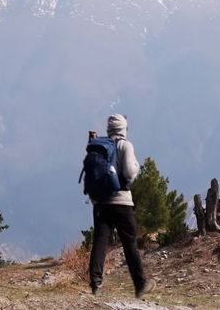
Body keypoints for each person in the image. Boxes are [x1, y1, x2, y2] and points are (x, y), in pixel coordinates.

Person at [89, 113, 148, 298]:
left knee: (100, 242)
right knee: (129, 243)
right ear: (124, 129)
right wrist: (137, 167)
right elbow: (129, 172)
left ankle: (96, 284)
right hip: (122, 202)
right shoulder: (125, 145)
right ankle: (140, 284)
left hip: (101, 203)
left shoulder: (99, 146)